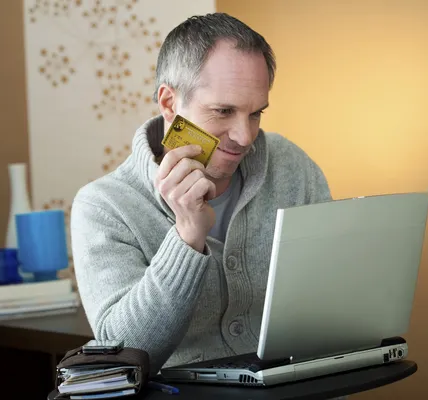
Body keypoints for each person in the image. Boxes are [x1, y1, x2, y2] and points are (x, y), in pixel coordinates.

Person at [70, 12, 333, 375]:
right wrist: (187, 237)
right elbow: (125, 356)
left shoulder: (293, 168)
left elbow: (333, 305)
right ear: (168, 104)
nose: (245, 136)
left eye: (256, 113)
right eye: (223, 111)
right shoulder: (105, 206)